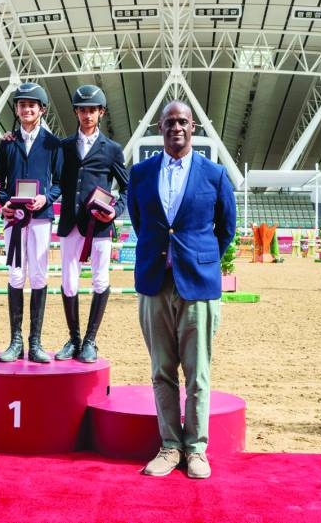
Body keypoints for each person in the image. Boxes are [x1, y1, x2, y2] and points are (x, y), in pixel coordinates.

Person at [127, 100, 236, 480]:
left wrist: (198, 259)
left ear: (193, 128)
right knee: (161, 371)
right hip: (155, 283)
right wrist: (166, 255)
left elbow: (226, 230)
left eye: (183, 122)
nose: (177, 127)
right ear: (161, 128)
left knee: (198, 373)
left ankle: (196, 450)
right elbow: (141, 223)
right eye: (170, 122)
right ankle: (170, 446)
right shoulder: (140, 174)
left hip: (198, 286)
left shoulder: (215, 174)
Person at [54, 84, 129, 363]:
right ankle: (73, 339)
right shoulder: (63, 146)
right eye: (83, 110)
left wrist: (115, 211)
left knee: (100, 279)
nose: (87, 115)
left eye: (92, 111)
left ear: (101, 113)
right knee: (68, 282)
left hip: (99, 225)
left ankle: (90, 340)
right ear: (76, 112)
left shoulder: (112, 149)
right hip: (70, 224)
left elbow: (127, 187)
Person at [0, 82, 62, 363]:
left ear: (42, 110)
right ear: (17, 109)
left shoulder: (52, 144)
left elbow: (59, 183)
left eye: (31, 105)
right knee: (15, 275)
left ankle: (35, 342)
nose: (26, 109)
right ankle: (15, 341)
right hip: (15, 218)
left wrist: (46, 199)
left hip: (40, 218)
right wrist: (4, 202)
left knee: (38, 276)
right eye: (22, 105)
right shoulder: (7, 143)